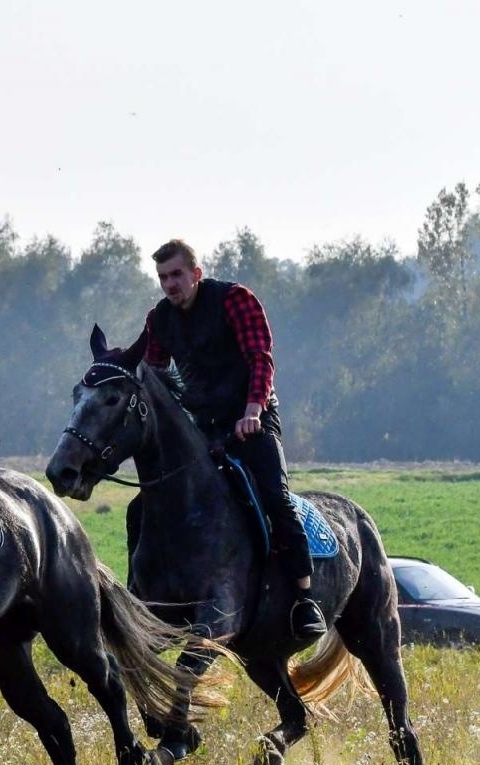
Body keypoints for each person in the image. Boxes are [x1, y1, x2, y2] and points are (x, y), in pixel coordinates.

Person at [117, 239, 327, 640]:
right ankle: (140, 597)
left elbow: (260, 358)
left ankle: (304, 598)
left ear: (196, 274)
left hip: (252, 418)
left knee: (276, 500)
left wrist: (252, 410)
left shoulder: (235, 300)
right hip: (203, 430)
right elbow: (154, 374)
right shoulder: (158, 320)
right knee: (139, 508)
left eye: (177, 275)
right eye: (163, 278)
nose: (170, 284)